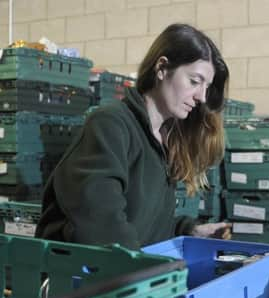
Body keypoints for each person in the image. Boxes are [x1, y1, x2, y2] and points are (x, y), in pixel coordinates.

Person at [36, 24, 231, 249]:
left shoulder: (165, 140)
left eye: (206, 87)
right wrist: (154, 274)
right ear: (162, 68)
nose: (202, 97)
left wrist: (188, 230)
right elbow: (102, 225)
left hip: (124, 271)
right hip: (75, 276)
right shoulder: (110, 125)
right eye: (194, 81)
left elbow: (140, 223)